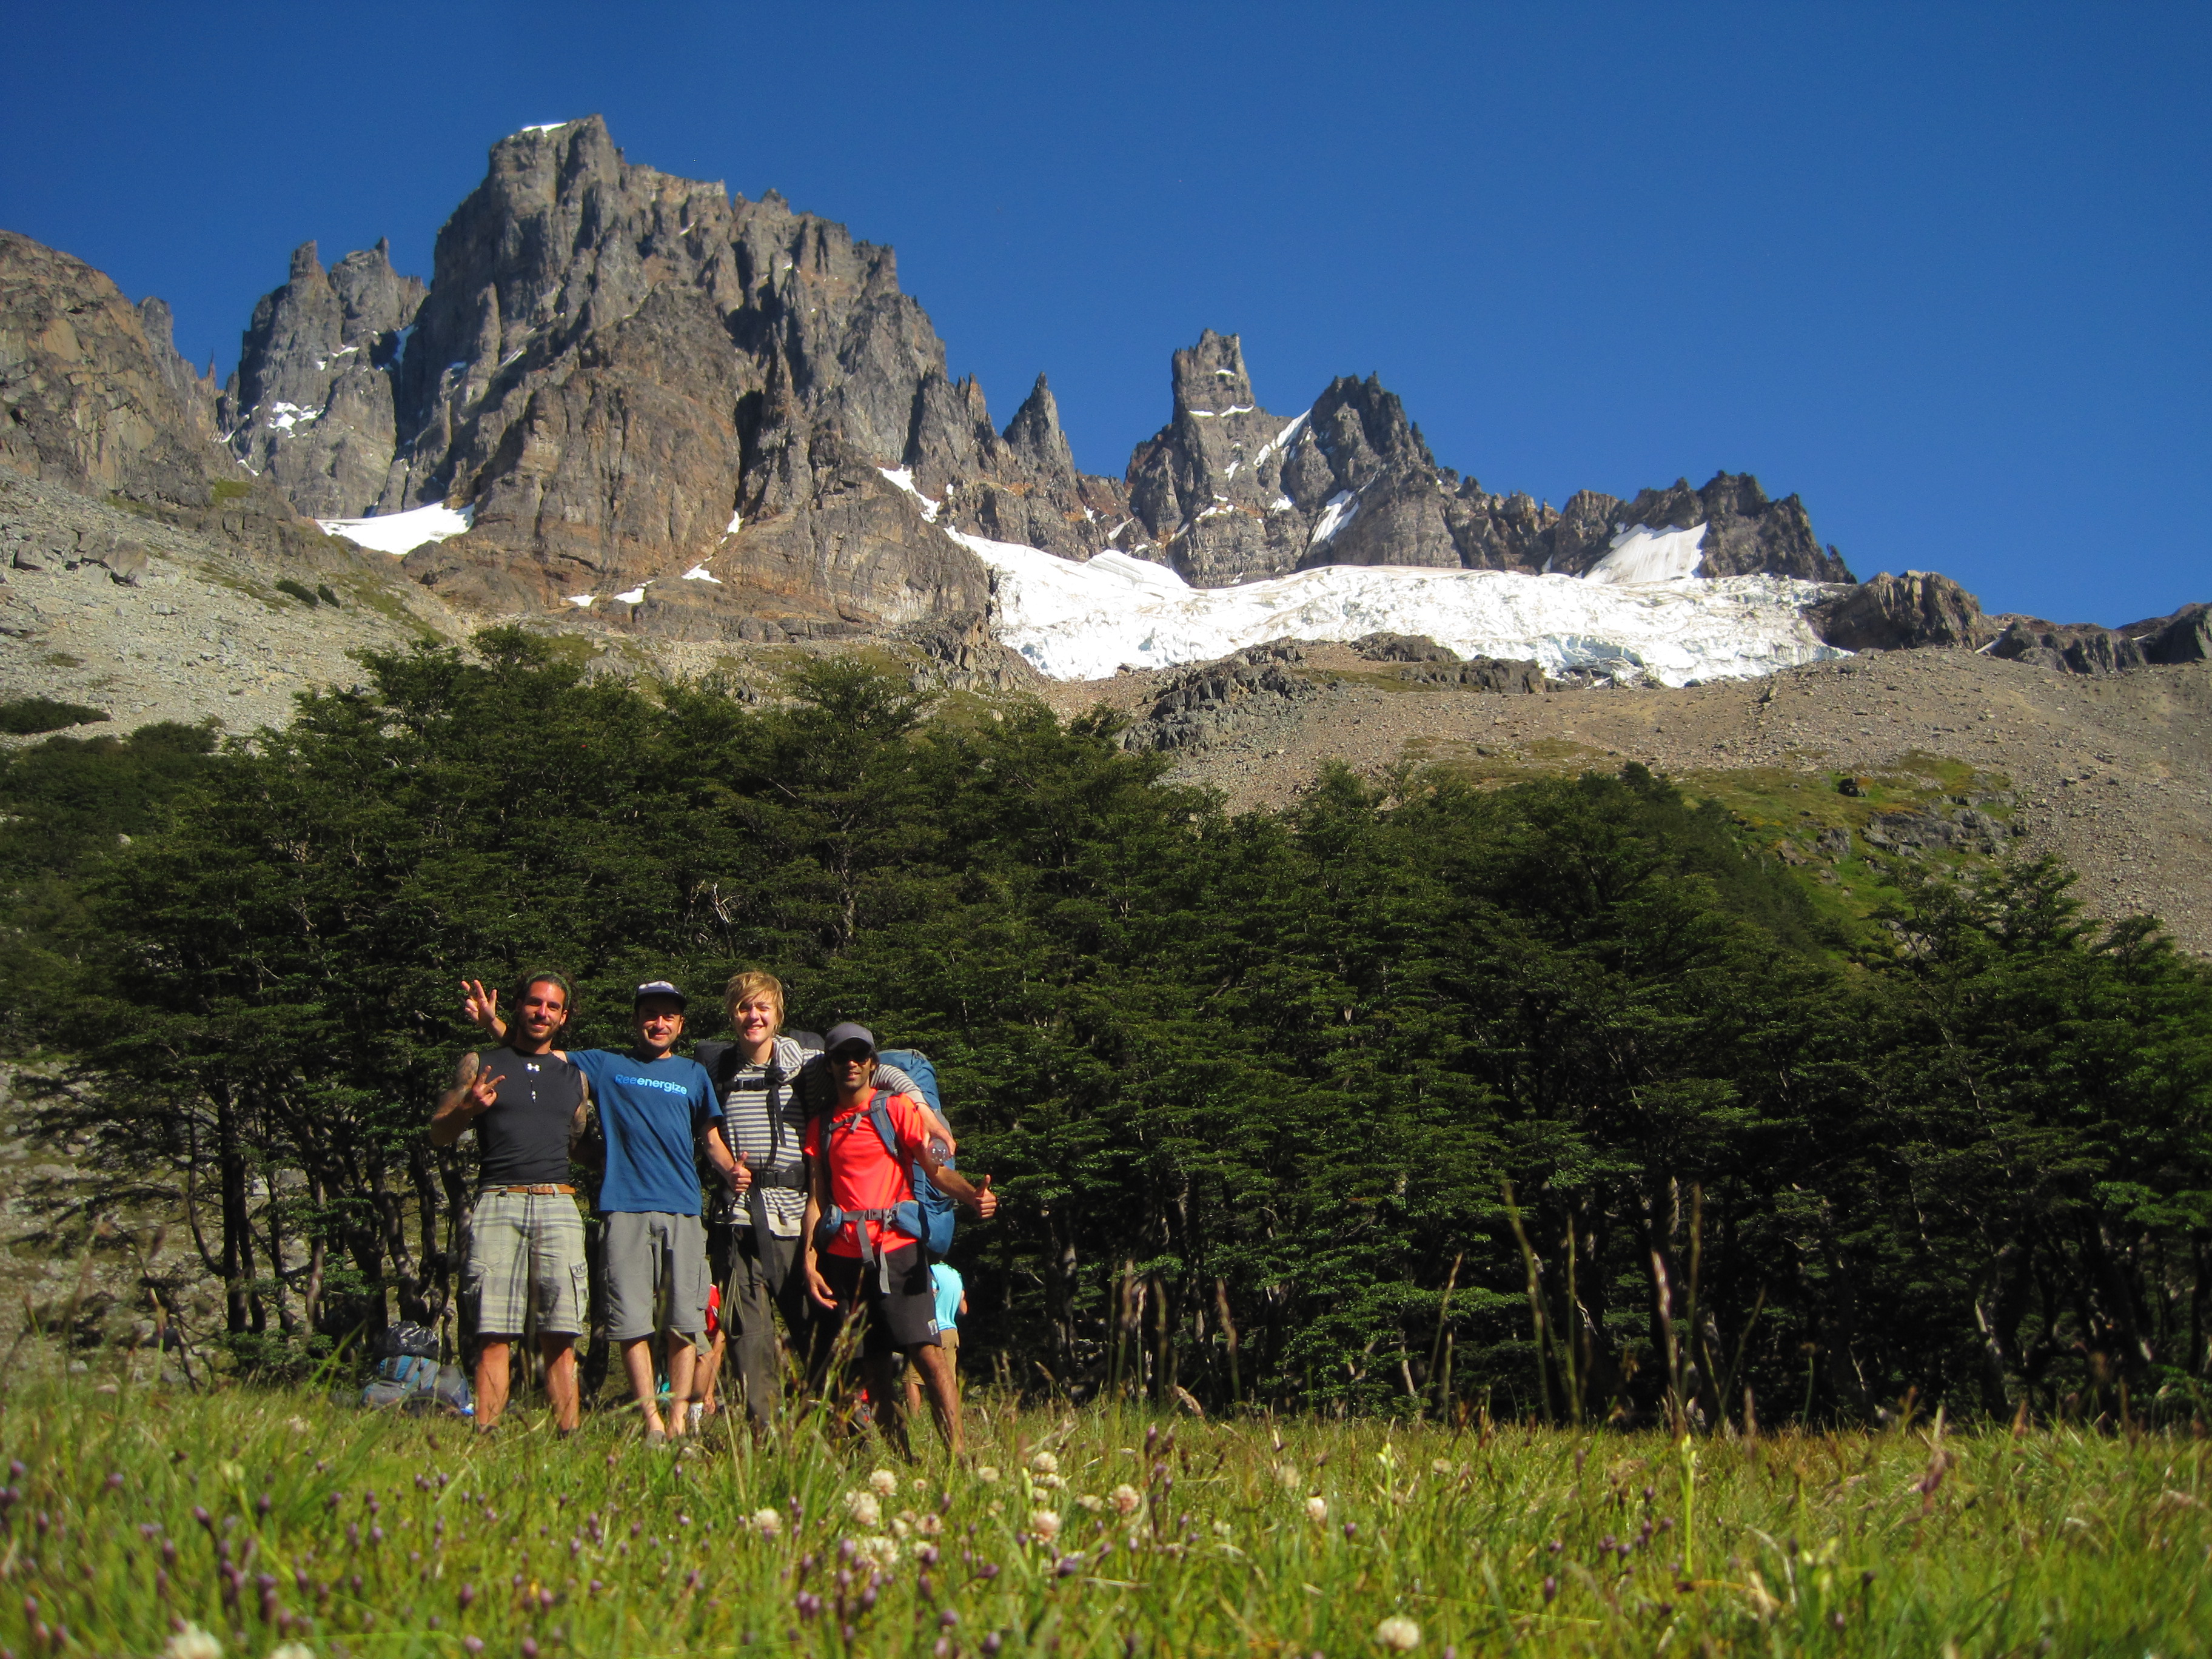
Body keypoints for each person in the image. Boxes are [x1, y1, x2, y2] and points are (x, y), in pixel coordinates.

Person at [466, 976, 739, 1442]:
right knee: (631, 1322)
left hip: (683, 1207)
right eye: (649, 1014)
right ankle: (652, 1422)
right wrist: (496, 1026)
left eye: (668, 1015)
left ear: (681, 1023)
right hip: (623, 1206)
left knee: (685, 1322)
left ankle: (677, 1423)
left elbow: (711, 1140)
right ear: (636, 1020)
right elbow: (541, 1054)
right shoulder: (606, 1065)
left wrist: (735, 1173)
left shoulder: (694, 1074)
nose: (659, 1022)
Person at [691, 971, 943, 1429]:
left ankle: (845, 1429)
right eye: (745, 1007)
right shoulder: (715, 1069)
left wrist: (918, 1102)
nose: (754, 1016)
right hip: (738, 1220)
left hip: (793, 1219)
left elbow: (871, 1065)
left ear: (778, 1014)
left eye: (763, 1008)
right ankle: (765, 1440)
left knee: (819, 1335)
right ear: (731, 1013)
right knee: (750, 1339)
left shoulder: (803, 1060)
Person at [802, 1022, 995, 1460]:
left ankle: (958, 1454)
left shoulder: (895, 1110)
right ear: (830, 1066)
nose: (850, 1064)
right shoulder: (822, 1126)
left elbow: (935, 1166)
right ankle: (903, 1458)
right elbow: (818, 1197)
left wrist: (971, 1196)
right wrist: (809, 1258)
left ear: (872, 1063)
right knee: (872, 1366)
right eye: (840, 1057)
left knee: (926, 1352)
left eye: (858, 1056)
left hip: (897, 1248)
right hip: (844, 1255)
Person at [430, 972, 591, 1433]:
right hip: (499, 1200)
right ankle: (486, 1434)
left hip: (559, 1203)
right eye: (535, 1003)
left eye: (553, 1007)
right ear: (518, 1005)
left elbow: (578, 1142)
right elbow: (439, 1132)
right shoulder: (481, 1062)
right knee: (493, 1329)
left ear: (564, 1018)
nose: (542, 1013)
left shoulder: (574, 1076)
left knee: (561, 1332)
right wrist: (468, 1111)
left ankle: (569, 1436)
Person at [903, 1261, 967, 1424]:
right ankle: (952, 1420)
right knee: (948, 1381)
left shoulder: (930, 1270)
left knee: (911, 1379)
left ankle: (914, 1421)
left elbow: (928, 1295)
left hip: (932, 1331)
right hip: (952, 1332)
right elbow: (963, 1310)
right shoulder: (955, 1274)